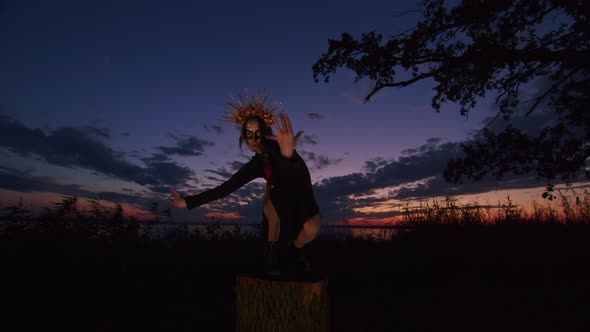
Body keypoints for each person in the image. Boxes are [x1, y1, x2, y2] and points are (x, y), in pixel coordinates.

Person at [169, 92, 321, 276]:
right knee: (272, 202)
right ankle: (273, 254)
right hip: (280, 199)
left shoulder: (277, 148)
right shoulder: (256, 164)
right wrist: (187, 202)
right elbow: (225, 188)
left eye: (258, 133)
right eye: (249, 134)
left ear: (265, 134)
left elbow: (292, 171)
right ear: (244, 136)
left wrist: (288, 153)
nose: (253, 139)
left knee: (310, 229)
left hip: (301, 194)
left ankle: (295, 249)